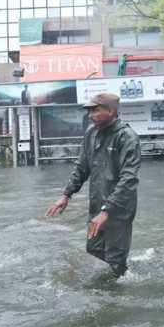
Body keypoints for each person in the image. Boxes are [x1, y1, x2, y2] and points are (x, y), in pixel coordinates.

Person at [46, 93, 140, 277]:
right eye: (89, 111)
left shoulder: (127, 137)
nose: (90, 115)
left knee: (115, 259)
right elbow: (82, 166)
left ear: (110, 111)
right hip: (97, 204)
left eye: (95, 110)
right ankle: (125, 269)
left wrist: (107, 210)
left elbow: (129, 178)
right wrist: (66, 194)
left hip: (119, 209)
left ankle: (121, 286)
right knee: (93, 248)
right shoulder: (91, 132)